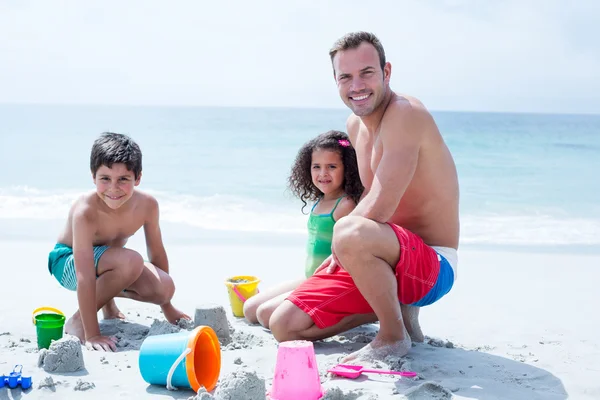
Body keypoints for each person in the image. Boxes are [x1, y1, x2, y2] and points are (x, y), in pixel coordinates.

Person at [268, 31, 460, 362]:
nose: (356, 85)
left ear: (386, 73)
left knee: (349, 230)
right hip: (380, 259)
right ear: (336, 81)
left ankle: (392, 336)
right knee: (283, 325)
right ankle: (394, 311)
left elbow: (382, 204)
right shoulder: (354, 127)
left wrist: (344, 241)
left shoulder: (405, 114)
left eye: (367, 73)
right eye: (346, 76)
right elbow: (365, 197)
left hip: (431, 267)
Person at [47, 132, 190, 352]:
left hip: (109, 263)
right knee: (129, 261)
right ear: (93, 177)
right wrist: (92, 332)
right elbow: (84, 274)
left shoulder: (148, 205)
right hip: (67, 262)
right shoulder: (85, 211)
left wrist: (167, 305)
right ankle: (78, 321)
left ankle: (109, 306)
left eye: (123, 179)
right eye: (105, 179)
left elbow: (157, 253)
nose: (114, 188)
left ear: (138, 178)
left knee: (164, 287)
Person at [243, 130, 363, 328]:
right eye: (317, 166)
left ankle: (353, 315)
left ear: (348, 169)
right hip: (310, 277)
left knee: (265, 315)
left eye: (332, 166)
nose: (323, 173)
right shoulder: (321, 200)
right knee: (250, 309)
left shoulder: (345, 205)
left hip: (328, 284)